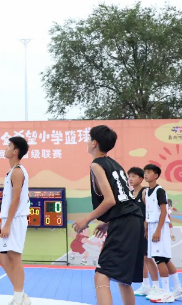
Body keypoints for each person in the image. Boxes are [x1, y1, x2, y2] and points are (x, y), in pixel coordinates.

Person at [72, 126, 144, 305]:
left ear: (94, 143)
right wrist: (109, 223)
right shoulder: (115, 164)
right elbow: (123, 200)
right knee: (123, 278)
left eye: (89, 138)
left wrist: (86, 219)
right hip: (134, 219)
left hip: (125, 221)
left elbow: (110, 200)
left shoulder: (96, 164)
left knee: (102, 274)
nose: (87, 141)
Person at [143, 164, 182, 302]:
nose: (146, 175)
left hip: (160, 226)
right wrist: (147, 228)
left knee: (160, 259)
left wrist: (158, 230)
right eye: (145, 172)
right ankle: (179, 288)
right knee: (165, 259)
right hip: (152, 225)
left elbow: (163, 211)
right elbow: (149, 211)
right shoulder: (147, 192)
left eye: (149, 172)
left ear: (156, 175)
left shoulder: (159, 191)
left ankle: (166, 291)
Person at [0, 136, 31, 305]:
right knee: (2, 258)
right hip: (9, 219)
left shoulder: (18, 171)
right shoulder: (11, 171)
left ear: (16, 151)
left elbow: (16, 199)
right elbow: (8, 200)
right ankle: (21, 294)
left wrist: (8, 223)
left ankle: (18, 297)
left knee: (14, 257)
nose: (6, 148)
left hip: (16, 220)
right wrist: (2, 222)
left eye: (9, 146)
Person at [127, 167, 159, 297]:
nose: (130, 179)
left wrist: (146, 227)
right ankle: (145, 286)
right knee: (140, 259)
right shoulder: (129, 194)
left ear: (141, 179)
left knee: (148, 258)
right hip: (134, 230)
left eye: (134, 176)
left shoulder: (144, 192)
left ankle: (156, 287)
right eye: (129, 176)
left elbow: (149, 211)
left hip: (145, 230)